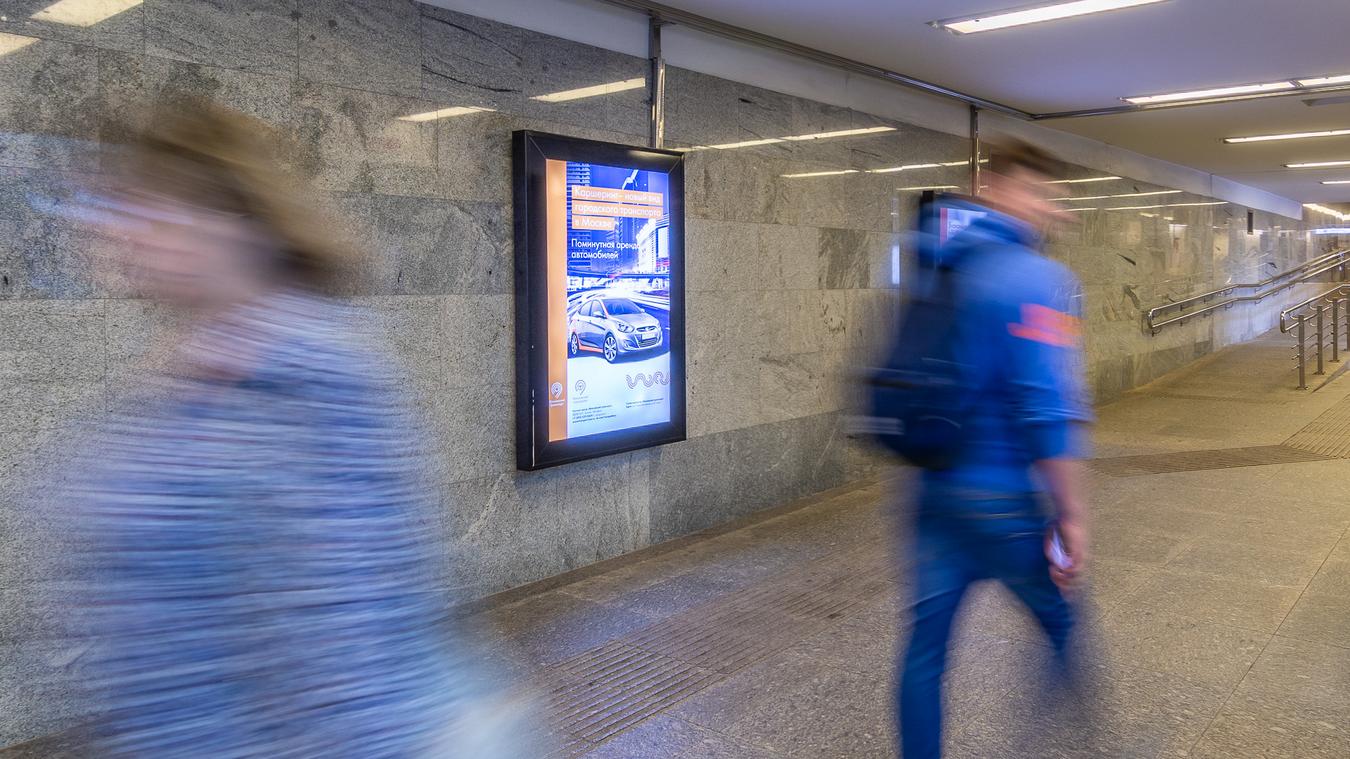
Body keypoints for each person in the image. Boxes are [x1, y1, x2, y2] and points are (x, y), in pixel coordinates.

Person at [47, 102, 535, 757]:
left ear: (229, 221)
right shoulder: (194, 365)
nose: (121, 237)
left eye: (148, 212)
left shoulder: (316, 373)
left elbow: (346, 643)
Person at [896, 141, 1093, 758]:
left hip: (935, 490)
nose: (1050, 212)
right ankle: (1056, 741)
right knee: (1063, 620)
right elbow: (1046, 408)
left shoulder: (941, 264)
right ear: (1000, 188)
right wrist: (1072, 513)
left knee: (926, 653)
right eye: (1041, 195)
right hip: (1006, 498)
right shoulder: (1041, 279)